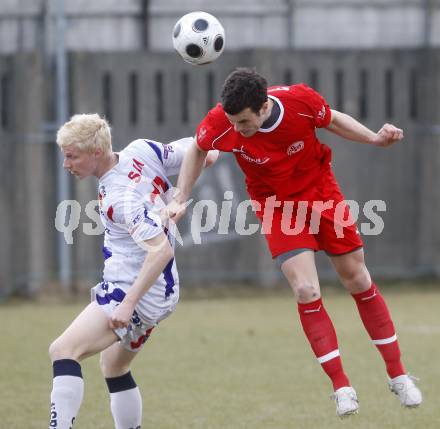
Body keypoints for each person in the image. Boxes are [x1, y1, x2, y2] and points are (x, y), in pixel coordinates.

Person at [167, 68, 422, 418]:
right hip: (275, 206)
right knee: (306, 290)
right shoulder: (222, 120)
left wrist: (374, 139)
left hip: (321, 193)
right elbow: (199, 147)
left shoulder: (299, 101)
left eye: (244, 122)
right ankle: (341, 386)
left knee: (357, 279)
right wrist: (180, 196)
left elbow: (333, 119)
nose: (238, 130)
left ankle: (397, 374)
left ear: (264, 106)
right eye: (233, 122)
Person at [48, 113, 218, 429]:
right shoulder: (141, 151)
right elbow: (204, 151)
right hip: (164, 291)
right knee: (113, 367)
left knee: (62, 350)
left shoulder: (118, 197)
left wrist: (127, 304)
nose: (66, 164)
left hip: (134, 291)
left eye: (72, 156)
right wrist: (184, 185)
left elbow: (161, 250)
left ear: (95, 152)